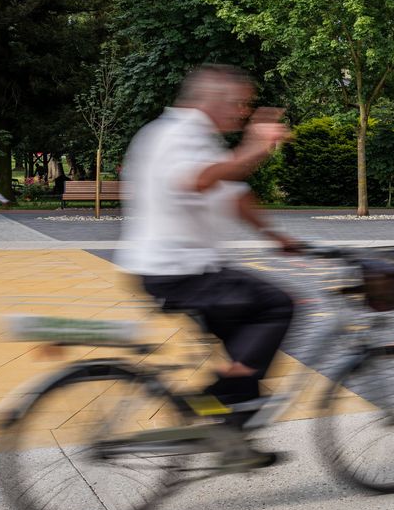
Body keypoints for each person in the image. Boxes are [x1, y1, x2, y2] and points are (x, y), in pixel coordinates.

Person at [119, 65, 299, 468]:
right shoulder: (179, 136)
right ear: (211, 99)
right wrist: (256, 145)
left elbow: (234, 195)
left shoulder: (193, 137)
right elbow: (203, 180)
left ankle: (232, 434)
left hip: (181, 269)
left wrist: (282, 239)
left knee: (248, 349)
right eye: (238, 103)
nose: (242, 112)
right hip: (180, 271)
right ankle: (208, 408)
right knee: (277, 305)